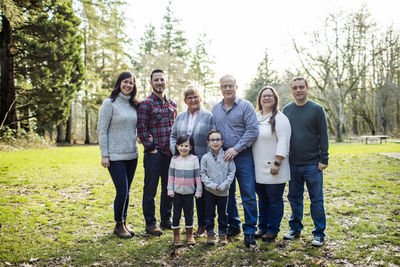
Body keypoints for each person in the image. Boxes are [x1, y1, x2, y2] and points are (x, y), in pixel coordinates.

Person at [212, 74, 259, 247]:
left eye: (230, 86)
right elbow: (214, 133)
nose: (227, 89)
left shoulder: (246, 106)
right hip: (224, 158)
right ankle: (234, 225)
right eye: (224, 86)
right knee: (227, 194)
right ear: (220, 88)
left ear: (236, 87)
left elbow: (253, 131)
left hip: (243, 156)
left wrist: (236, 148)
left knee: (248, 194)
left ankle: (250, 231)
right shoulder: (215, 109)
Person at [282, 77, 329, 247]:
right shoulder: (286, 110)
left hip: (313, 164)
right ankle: (295, 228)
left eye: (301, 87)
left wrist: (324, 158)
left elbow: (323, 135)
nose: (298, 90)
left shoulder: (317, 109)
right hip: (293, 163)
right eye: (295, 87)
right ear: (291, 90)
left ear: (307, 88)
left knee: (316, 199)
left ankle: (318, 233)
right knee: (294, 197)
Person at [97, 71, 140, 238]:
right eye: (125, 82)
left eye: (131, 83)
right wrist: (104, 155)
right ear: (119, 83)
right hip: (115, 156)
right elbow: (102, 130)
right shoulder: (109, 104)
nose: (128, 85)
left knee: (127, 191)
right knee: (122, 190)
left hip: (132, 155)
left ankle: (124, 222)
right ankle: (118, 224)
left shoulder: (134, 105)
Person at [170, 86, 215, 237]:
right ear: (185, 101)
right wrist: (176, 153)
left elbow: (212, 138)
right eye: (189, 97)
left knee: (201, 195)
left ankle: (202, 225)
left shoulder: (208, 116)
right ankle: (185, 225)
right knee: (184, 195)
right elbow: (173, 137)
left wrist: (208, 160)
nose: (193, 100)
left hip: (201, 162)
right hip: (183, 164)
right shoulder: (180, 117)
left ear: (200, 98)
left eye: (195, 97)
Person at [138, 69, 177, 236]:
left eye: (162, 79)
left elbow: (175, 129)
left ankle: (166, 219)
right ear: (151, 83)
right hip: (154, 154)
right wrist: (151, 147)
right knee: (151, 189)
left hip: (170, 154)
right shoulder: (146, 104)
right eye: (156, 80)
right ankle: (151, 223)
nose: (159, 82)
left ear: (166, 82)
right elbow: (141, 128)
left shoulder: (172, 104)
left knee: (168, 188)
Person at [252, 86, 291, 242]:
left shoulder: (280, 118)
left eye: (270, 96)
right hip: (257, 166)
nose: (266, 98)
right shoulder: (255, 117)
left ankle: (273, 229)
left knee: (274, 200)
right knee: (262, 199)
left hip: (275, 166)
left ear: (275, 99)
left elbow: (284, 141)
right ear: (260, 99)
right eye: (264, 96)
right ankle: (262, 227)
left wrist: (277, 162)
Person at [201, 130, 236, 245]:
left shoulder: (227, 156)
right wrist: (213, 185)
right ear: (208, 142)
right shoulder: (205, 158)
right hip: (209, 191)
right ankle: (210, 233)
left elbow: (231, 173)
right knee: (209, 213)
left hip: (223, 192)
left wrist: (224, 185)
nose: (215, 142)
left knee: (223, 214)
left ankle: (222, 234)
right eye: (212, 140)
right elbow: (203, 174)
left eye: (218, 140)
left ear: (222, 142)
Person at [168, 134, 202, 246]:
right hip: (176, 193)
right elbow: (171, 175)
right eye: (181, 145)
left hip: (189, 193)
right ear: (177, 146)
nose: (184, 148)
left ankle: (189, 235)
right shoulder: (174, 159)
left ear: (191, 147)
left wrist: (198, 190)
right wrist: (170, 189)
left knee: (189, 213)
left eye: (186, 146)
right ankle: (176, 236)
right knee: (176, 213)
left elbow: (197, 176)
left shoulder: (194, 159)